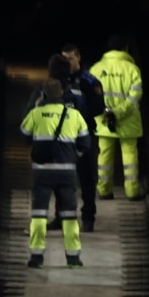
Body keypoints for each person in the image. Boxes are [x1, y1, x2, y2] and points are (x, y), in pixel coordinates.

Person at [20, 77, 90, 269]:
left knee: (39, 215)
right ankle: (73, 259)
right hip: (67, 173)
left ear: (43, 95)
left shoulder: (36, 113)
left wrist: (35, 108)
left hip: (42, 173)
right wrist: (73, 157)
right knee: (69, 216)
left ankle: (36, 258)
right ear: (61, 94)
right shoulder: (74, 115)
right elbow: (85, 143)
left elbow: (24, 137)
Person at [89, 34, 144, 200]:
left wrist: (107, 112)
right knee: (130, 157)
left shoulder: (96, 69)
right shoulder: (132, 69)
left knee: (104, 156)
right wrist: (118, 112)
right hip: (128, 122)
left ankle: (104, 190)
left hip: (104, 121)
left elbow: (92, 97)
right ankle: (133, 191)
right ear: (125, 49)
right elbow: (134, 99)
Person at [60, 42, 105, 231]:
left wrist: (79, 112)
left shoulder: (89, 81)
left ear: (78, 58)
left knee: (86, 179)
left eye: (70, 58)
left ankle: (88, 218)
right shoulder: (59, 80)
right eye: (64, 59)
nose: (67, 62)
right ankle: (61, 216)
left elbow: (98, 107)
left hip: (82, 135)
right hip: (62, 136)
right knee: (61, 178)